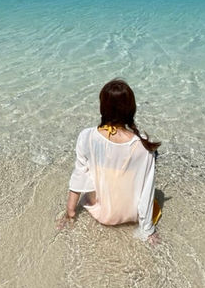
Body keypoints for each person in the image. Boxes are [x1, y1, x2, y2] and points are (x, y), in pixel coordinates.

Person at [59, 79, 161, 245]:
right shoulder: (144, 144)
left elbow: (79, 174)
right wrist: (147, 230)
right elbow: (147, 191)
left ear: (102, 107)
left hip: (101, 212)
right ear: (131, 109)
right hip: (131, 214)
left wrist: (70, 212)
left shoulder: (87, 136)